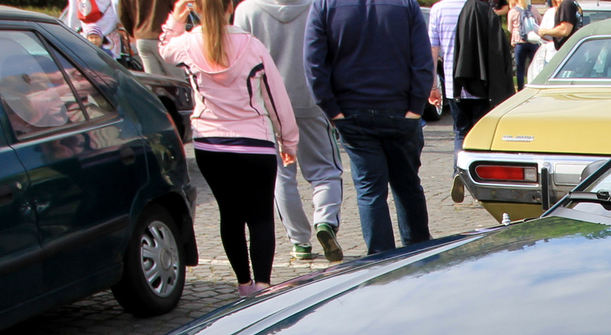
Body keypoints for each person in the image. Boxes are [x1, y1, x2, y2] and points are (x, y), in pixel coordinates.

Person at [161, 0, 299, 296]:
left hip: (210, 144)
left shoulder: (187, 43)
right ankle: (263, 283)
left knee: (230, 215)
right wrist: (288, 140)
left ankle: (243, 284)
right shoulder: (251, 45)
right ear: (231, 6)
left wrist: (176, 17)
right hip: (255, 143)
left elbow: (164, 49)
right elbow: (276, 97)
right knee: (261, 216)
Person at [306, 0, 434, 254]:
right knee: (407, 186)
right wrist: (415, 107)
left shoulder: (325, 5)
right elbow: (422, 58)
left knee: (371, 191)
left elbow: (314, 64)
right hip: (398, 110)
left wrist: (332, 110)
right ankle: (420, 257)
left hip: (353, 112)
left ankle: (381, 261)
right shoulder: (405, 4)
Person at [235, 0, 346, 264]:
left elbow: (239, 62)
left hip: (269, 103)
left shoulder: (247, 10)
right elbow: (333, 53)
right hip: (311, 99)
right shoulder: (318, 6)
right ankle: (326, 221)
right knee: (326, 170)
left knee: (282, 176)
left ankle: (299, 241)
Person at [454, 0, 515, 132]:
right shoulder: (483, 11)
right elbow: (497, 52)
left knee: (461, 132)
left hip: (463, 84)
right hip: (483, 86)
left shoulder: (467, 10)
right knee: (482, 132)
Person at [428, 0, 470, 138]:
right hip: (481, 83)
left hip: (454, 83)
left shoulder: (438, 9)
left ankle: (459, 159)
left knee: (460, 132)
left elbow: (432, 51)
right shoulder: (479, 6)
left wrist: (433, 86)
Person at [121, 0, 181, 75]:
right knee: (178, 79)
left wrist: (135, 34)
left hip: (142, 37)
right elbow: (178, 8)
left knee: (154, 81)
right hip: (164, 36)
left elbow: (123, 15)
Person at [511, 0, 540, 91]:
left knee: (520, 69)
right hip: (533, 41)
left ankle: (520, 89)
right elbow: (539, 22)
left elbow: (509, 28)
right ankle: (535, 86)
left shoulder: (513, 11)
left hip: (520, 42)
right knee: (535, 67)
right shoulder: (534, 9)